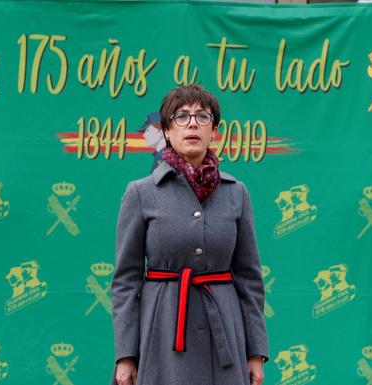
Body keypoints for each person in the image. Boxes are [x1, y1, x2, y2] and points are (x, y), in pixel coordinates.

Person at [111, 84, 269, 385]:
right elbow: (125, 282)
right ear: (167, 131)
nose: (193, 123)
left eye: (202, 116)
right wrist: (126, 355)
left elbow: (250, 280)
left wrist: (255, 352)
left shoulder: (236, 193)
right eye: (181, 117)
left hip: (225, 332)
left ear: (214, 132)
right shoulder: (141, 193)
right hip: (162, 331)